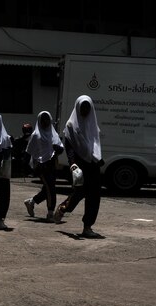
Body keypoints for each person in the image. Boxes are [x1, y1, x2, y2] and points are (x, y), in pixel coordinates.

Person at [53, 95, 104, 238]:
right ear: (77, 108)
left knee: (94, 196)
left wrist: (99, 158)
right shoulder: (71, 126)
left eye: (88, 108)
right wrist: (73, 163)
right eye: (83, 108)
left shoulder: (93, 125)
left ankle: (87, 227)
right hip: (79, 165)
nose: (85, 111)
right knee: (79, 193)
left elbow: (95, 145)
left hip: (93, 165)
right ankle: (63, 208)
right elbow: (69, 148)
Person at [23, 111, 64, 222]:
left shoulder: (53, 133)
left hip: (52, 164)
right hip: (41, 166)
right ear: (39, 121)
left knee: (47, 189)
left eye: (47, 119)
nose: (45, 122)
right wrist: (26, 168)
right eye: (43, 119)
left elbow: (61, 147)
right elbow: (29, 152)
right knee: (51, 189)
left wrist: (58, 148)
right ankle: (50, 213)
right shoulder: (36, 135)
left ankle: (31, 202)